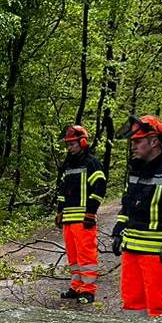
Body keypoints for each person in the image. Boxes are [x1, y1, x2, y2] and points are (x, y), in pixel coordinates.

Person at [111, 116, 162, 317]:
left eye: (137, 142)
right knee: (132, 304)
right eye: (132, 142)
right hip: (131, 250)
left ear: (154, 141)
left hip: (156, 254)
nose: (133, 147)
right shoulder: (136, 170)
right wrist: (118, 232)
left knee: (160, 306)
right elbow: (127, 206)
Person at [56, 125, 107, 303]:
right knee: (73, 256)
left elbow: (99, 188)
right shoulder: (68, 165)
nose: (69, 148)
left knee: (86, 256)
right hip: (69, 219)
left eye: (72, 144)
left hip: (83, 218)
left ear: (82, 142)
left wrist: (90, 213)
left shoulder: (92, 163)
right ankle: (76, 286)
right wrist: (60, 211)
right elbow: (62, 190)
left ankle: (88, 290)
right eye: (67, 144)